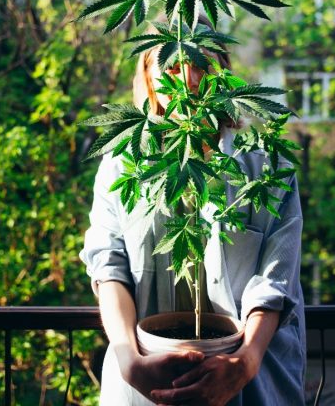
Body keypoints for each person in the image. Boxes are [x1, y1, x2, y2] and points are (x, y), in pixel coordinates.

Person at [80, 29, 306, 406]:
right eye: (170, 67)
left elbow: (274, 281)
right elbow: (108, 265)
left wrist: (244, 363)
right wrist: (129, 362)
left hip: (248, 379)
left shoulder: (267, 165)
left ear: (222, 76)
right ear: (149, 81)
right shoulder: (123, 162)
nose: (187, 79)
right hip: (145, 376)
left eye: (200, 64)